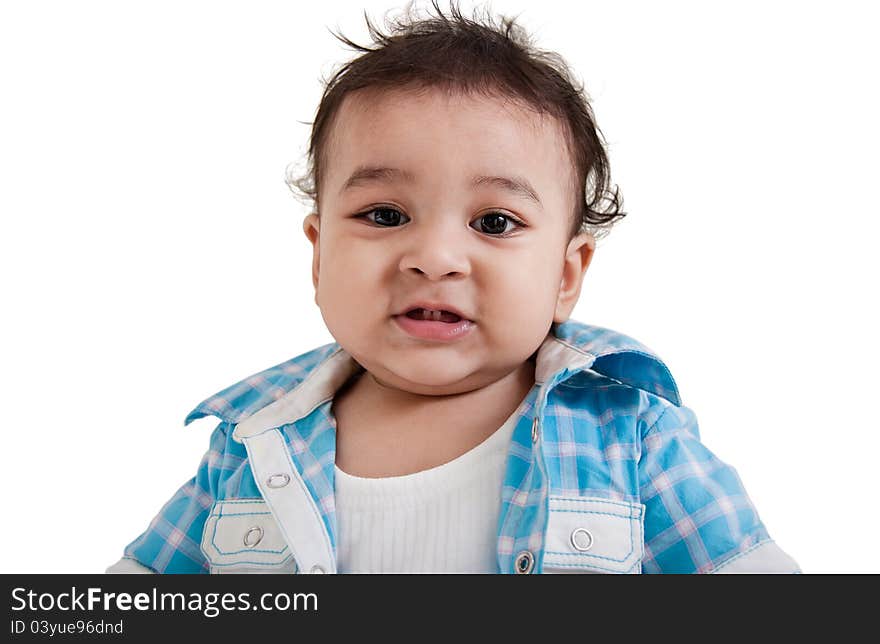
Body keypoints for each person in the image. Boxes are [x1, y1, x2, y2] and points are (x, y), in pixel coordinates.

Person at [106, 0, 799, 574]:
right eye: (384, 215)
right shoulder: (253, 444)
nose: (435, 258)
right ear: (320, 256)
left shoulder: (630, 436)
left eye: (494, 222)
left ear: (565, 275)